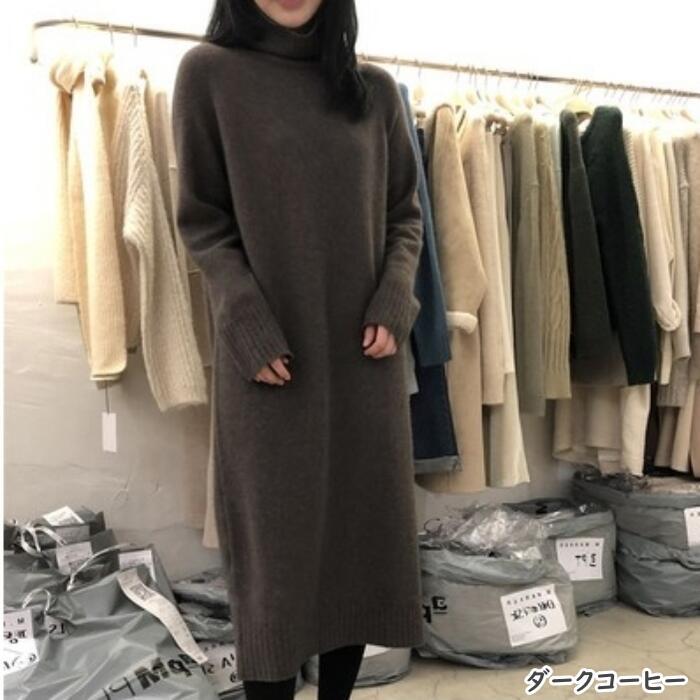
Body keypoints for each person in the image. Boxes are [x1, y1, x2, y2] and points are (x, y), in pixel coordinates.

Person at [171, 0, 425, 697]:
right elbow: (202, 221)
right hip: (269, 363)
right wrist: (245, 320)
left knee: (357, 547)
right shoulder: (209, 75)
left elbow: (405, 214)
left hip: (365, 359)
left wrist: (396, 298)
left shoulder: (372, 91)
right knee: (274, 568)